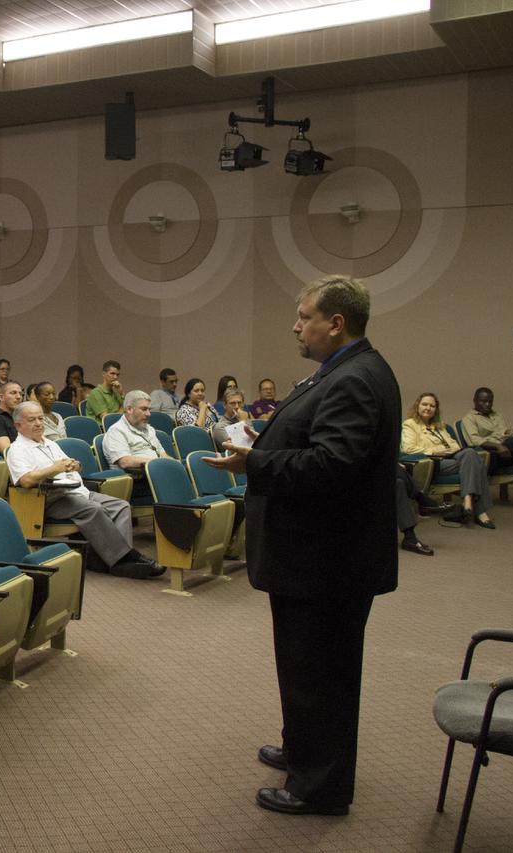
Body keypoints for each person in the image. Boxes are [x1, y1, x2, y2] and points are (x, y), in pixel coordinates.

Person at [203, 274, 399, 817]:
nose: (296, 325)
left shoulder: (355, 379)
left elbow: (334, 464)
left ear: (336, 323)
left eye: (304, 316)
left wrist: (255, 461)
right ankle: (302, 749)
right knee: (303, 664)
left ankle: (321, 787)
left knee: (324, 673)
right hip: (314, 556)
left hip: (327, 561)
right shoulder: (339, 371)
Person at [8, 401, 160, 578]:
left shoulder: (49, 443)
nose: (39, 423)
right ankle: (126, 558)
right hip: (50, 498)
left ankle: (115, 560)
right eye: (32, 420)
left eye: (40, 418)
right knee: (94, 509)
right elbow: (25, 480)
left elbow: (67, 463)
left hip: (78, 492)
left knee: (121, 506)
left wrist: (75, 465)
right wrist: (55, 469)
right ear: (18, 425)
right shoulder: (17, 449)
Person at [401, 392, 495, 528]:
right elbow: (409, 448)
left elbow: (455, 445)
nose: (428, 408)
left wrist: (449, 450)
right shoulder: (410, 424)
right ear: (418, 406)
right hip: (431, 463)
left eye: (432, 406)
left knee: (470, 453)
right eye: (425, 404)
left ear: (436, 409)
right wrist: (436, 450)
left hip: (451, 457)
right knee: (476, 463)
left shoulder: (440, 426)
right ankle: (480, 512)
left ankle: (468, 502)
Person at [460, 387, 513, 469]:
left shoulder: (497, 415)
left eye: (490, 401)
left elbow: (508, 430)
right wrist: (498, 446)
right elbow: (475, 441)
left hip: (511, 450)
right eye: (483, 401)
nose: (487, 404)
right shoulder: (469, 418)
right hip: (495, 453)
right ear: (475, 400)